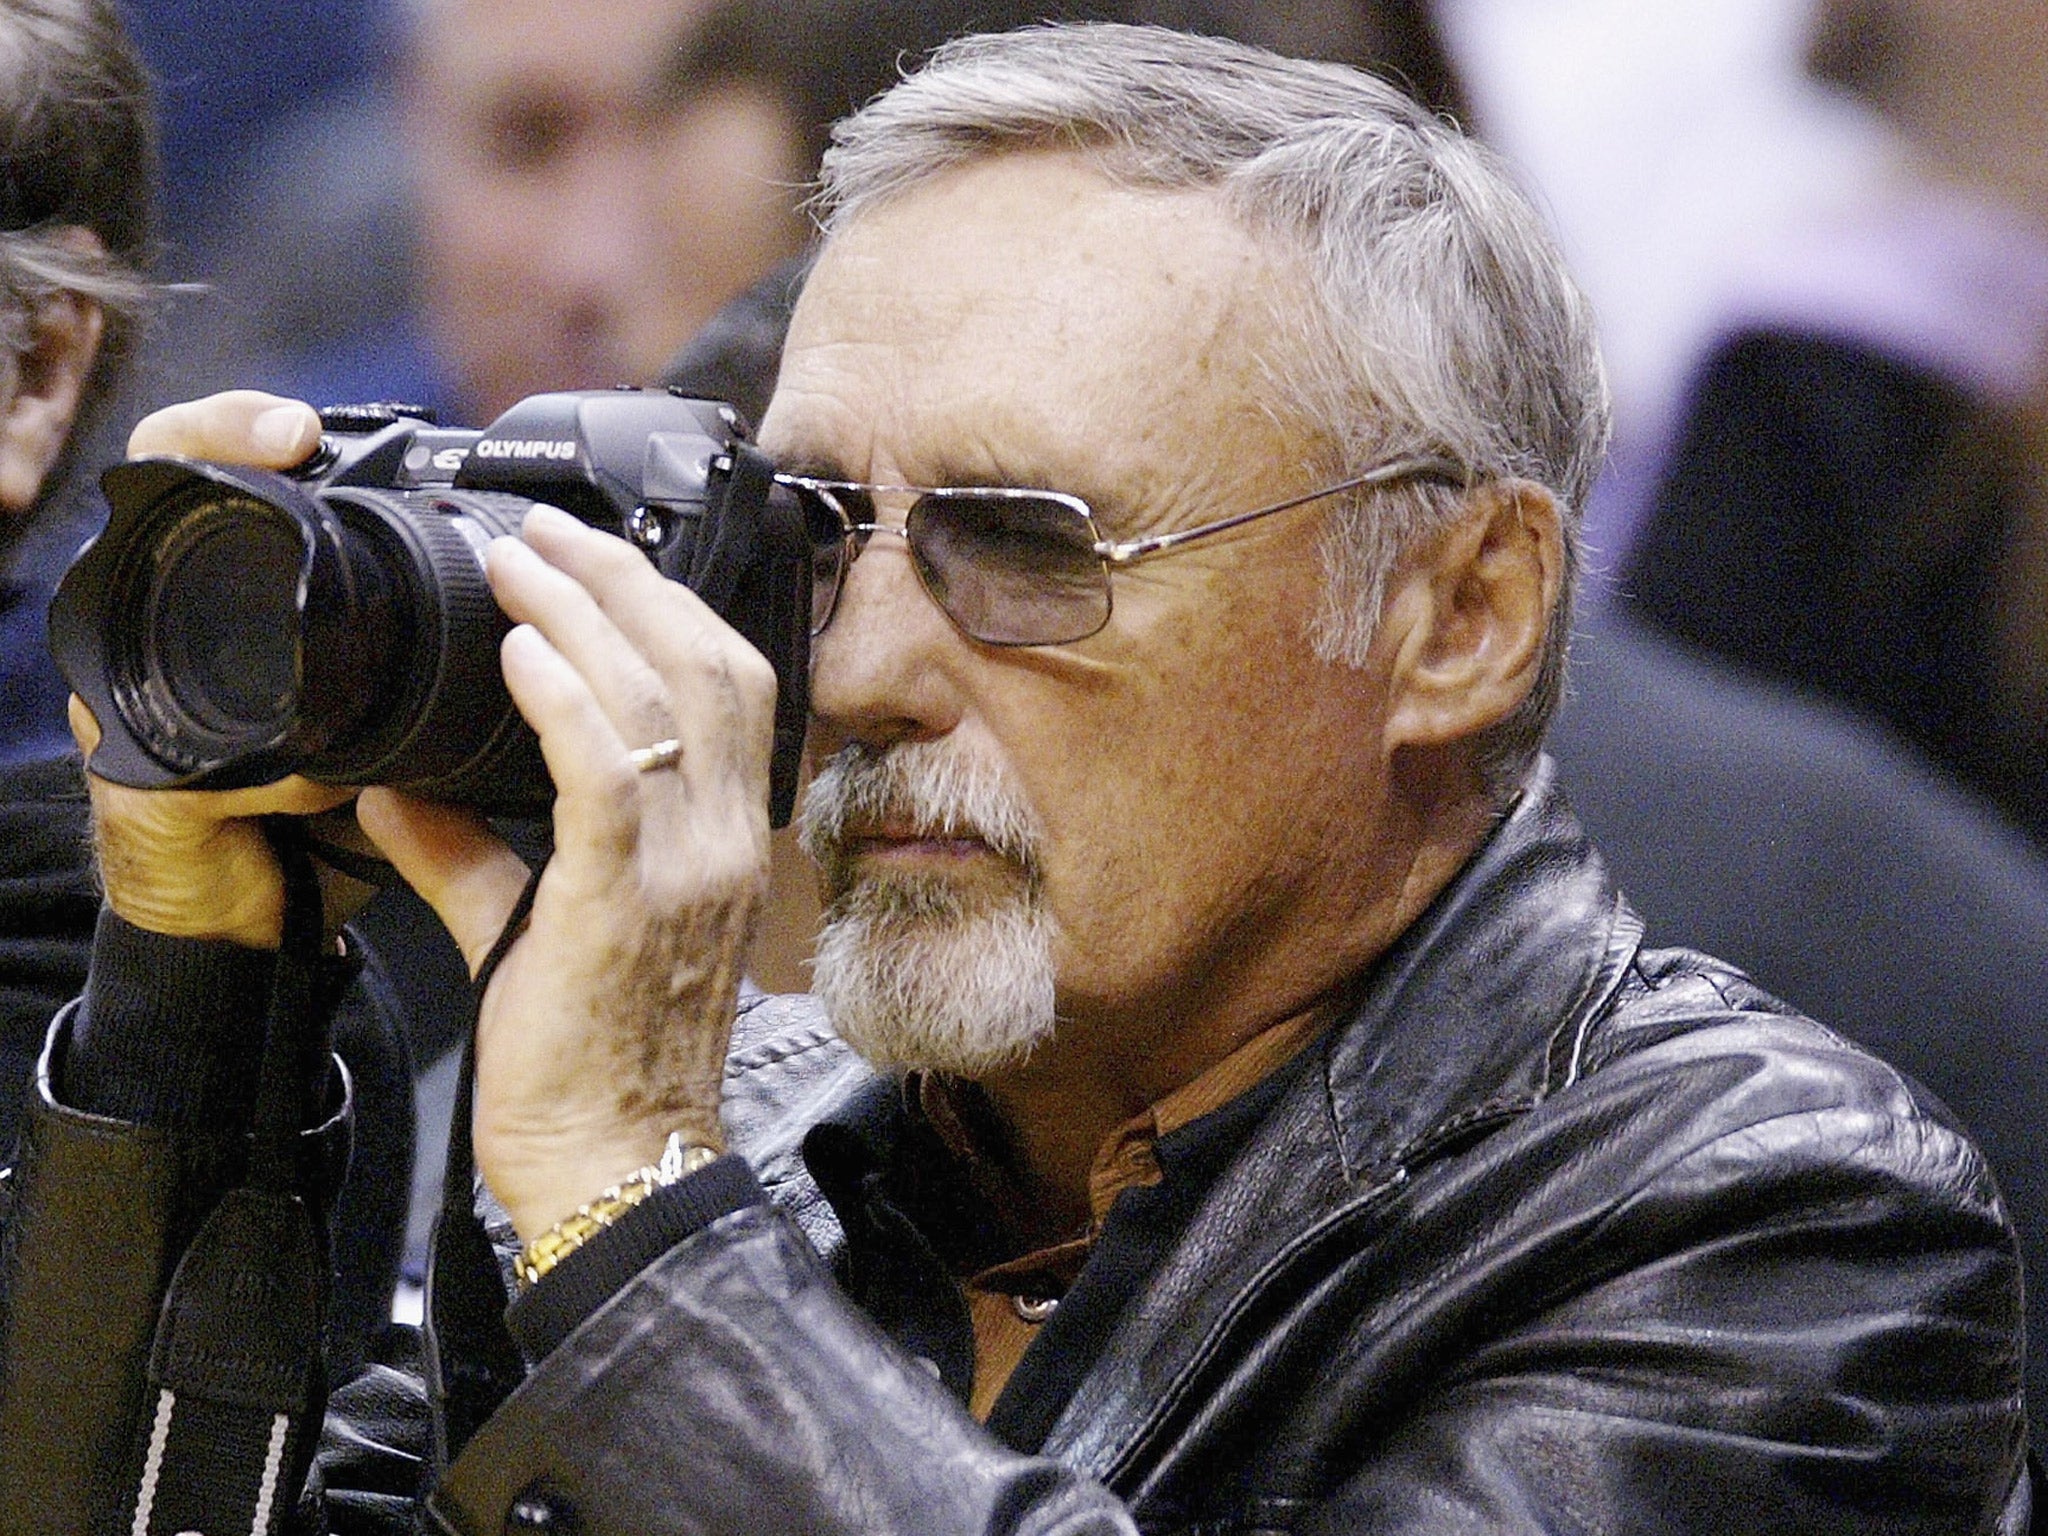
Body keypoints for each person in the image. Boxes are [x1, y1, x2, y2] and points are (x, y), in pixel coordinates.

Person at [0, 23, 2028, 1535]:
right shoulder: (760, 1138)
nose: (861, 672)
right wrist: (199, 1013)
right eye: (811, 537)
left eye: (1027, 549)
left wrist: (634, 1209)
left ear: (1458, 611)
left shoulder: (1776, 1230)